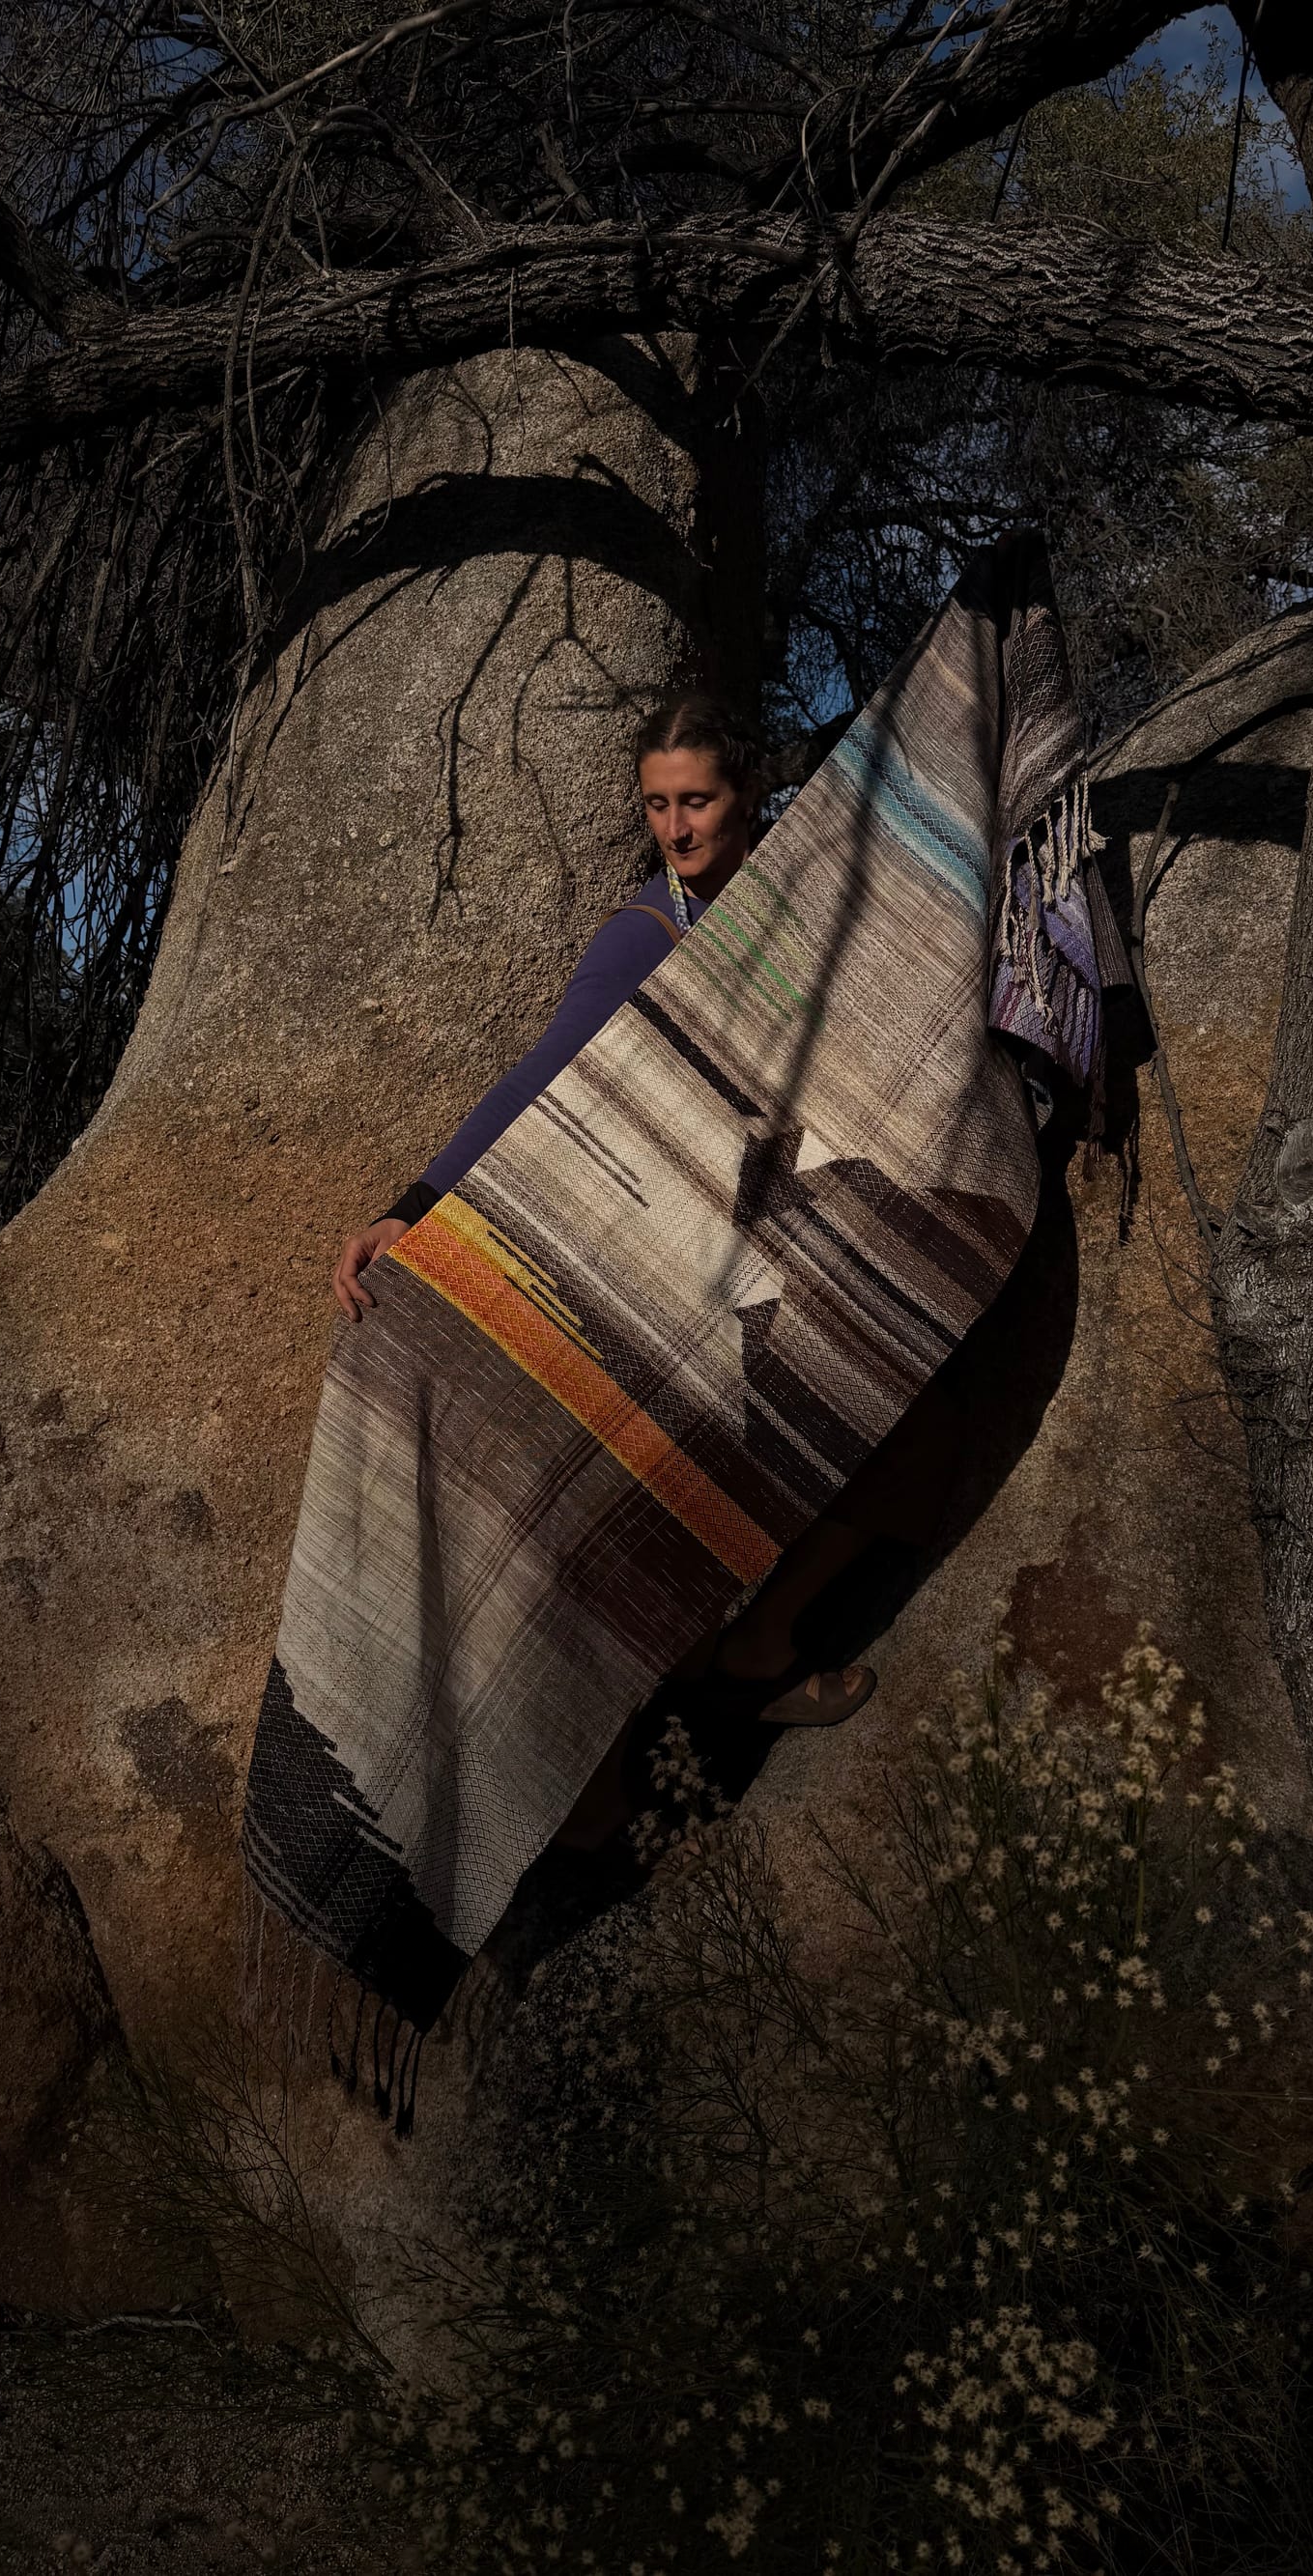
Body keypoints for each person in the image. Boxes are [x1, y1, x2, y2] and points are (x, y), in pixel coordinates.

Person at [327, 693, 939, 1850]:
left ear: (745, 798)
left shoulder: (802, 910)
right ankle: (627, 1744)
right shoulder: (641, 936)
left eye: (695, 801)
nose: (676, 828)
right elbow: (535, 1079)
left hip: (799, 1211)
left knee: (887, 1398)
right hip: (675, 1241)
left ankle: (760, 1650)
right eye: (657, 805)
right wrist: (415, 1206)